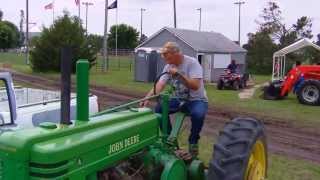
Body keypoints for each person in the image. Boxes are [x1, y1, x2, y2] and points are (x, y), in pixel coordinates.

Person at [140, 42, 208, 157]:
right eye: (163, 55)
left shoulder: (192, 63)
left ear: (176, 53)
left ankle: (193, 142)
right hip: (179, 99)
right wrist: (147, 98)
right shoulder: (168, 66)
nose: (165, 58)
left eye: (167, 55)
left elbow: (195, 85)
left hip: (196, 99)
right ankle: (169, 139)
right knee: (159, 109)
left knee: (198, 114)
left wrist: (179, 75)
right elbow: (160, 84)